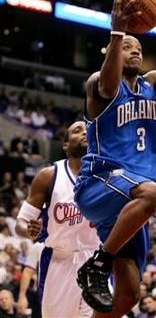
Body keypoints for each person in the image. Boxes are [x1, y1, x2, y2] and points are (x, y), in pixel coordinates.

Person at [74, 0, 156, 316]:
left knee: (129, 294)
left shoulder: (152, 83)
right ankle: (98, 264)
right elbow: (108, 84)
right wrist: (118, 33)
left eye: (138, 48)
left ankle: (103, 266)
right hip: (101, 182)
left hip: (133, 198)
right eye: (128, 47)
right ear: (115, 49)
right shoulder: (100, 84)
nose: (135, 52)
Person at [15, 121, 100, 318]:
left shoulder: (104, 177)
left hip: (94, 260)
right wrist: (29, 230)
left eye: (87, 131)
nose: (84, 134)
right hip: (59, 261)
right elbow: (21, 223)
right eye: (77, 131)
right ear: (66, 145)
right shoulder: (49, 176)